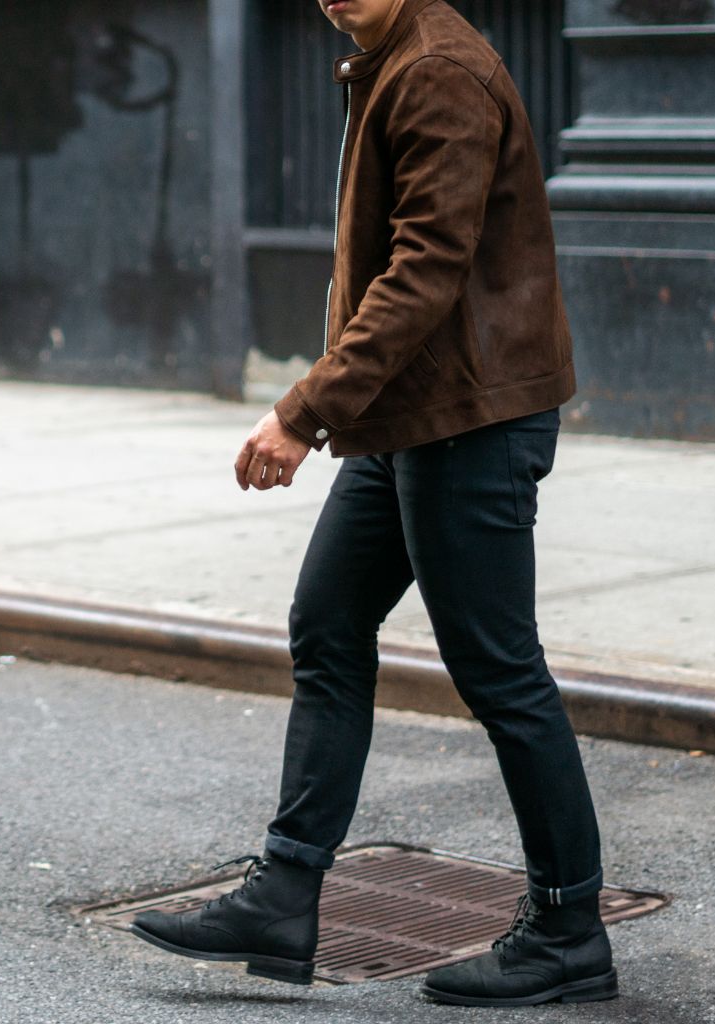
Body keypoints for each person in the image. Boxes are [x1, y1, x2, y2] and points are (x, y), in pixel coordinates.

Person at [131, 0, 617, 1007]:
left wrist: (304, 412)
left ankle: (569, 927)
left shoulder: (439, 69)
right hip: (414, 414)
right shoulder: (389, 59)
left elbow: (424, 270)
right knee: (329, 623)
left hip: (468, 419)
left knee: (497, 668)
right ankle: (285, 889)